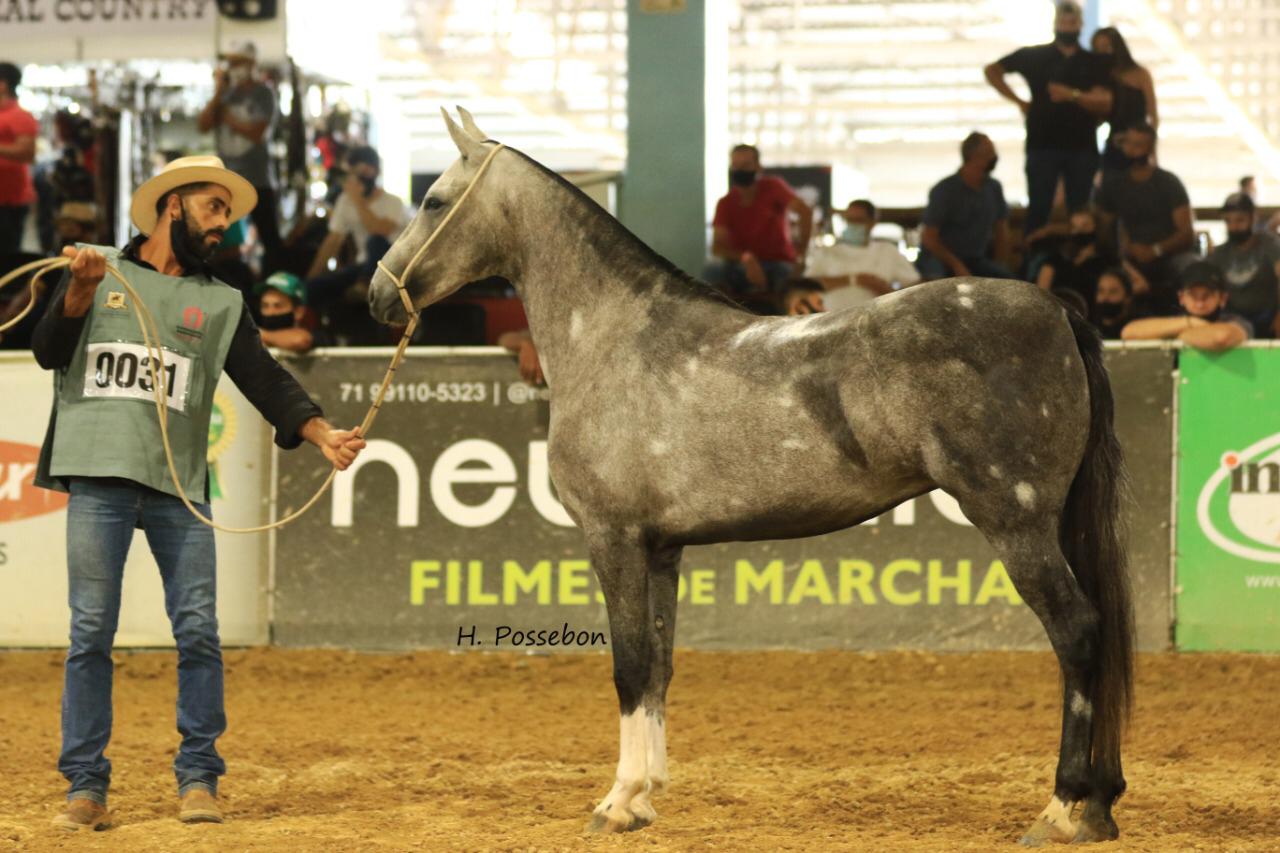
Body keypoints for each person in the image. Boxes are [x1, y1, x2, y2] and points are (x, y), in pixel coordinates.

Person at [30, 155, 366, 830]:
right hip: (98, 472)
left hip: (178, 485)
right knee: (90, 631)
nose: (224, 228)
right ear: (172, 205)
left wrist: (319, 430)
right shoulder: (95, 265)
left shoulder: (221, 301)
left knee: (198, 631)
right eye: (213, 209)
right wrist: (75, 295)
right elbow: (47, 349)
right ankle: (86, 787)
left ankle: (199, 777)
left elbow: (263, 377)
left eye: (230, 216)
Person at [984, 1, 1111, 235]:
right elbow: (992, 70)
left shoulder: (1094, 62)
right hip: (1042, 144)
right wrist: (1019, 101)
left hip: (1081, 146)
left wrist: (1071, 95)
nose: (1068, 28)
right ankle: (1034, 265)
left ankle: (1079, 263)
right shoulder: (1035, 56)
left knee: (1081, 211)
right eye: (1063, 22)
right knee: (1039, 209)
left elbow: (1106, 100)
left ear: (1081, 25)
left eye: (1072, 23)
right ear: (1054, 24)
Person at [197, 40, 282, 272]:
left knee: (270, 240)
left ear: (251, 63)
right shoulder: (225, 95)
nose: (233, 67)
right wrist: (218, 93)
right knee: (223, 241)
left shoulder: (264, 94)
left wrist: (227, 118)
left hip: (259, 180)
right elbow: (202, 125)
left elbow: (258, 133)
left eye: (238, 62)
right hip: (228, 181)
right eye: (230, 62)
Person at [1093, 123, 1194, 312]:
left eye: (1139, 145)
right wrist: (1121, 255)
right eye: (1129, 144)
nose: (1132, 150)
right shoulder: (1113, 185)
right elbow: (1105, 229)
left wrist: (1154, 250)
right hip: (1127, 258)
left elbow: (1187, 233)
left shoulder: (1168, 182)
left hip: (1169, 255)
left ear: (1151, 147)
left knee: (1189, 266)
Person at [305, 146, 408, 310]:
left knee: (376, 240)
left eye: (364, 172)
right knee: (315, 288)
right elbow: (333, 241)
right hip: (363, 267)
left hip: (393, 268)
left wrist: (358, 200)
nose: (357, 179)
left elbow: (379, 229)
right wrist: (311, 278)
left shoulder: (393, 202)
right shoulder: (345, 201)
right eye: (353, 173)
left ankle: (365, 284)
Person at [704, 144, 813, 296]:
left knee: (787, 282)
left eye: (746, 165)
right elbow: (717, 246)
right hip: (741, 265)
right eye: (736, 165)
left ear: (758, 167)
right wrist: (747, 259)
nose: (740, 170)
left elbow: (805, 212)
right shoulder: (725, 203)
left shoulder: (773, 187)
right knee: (712, 270)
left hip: (779, 263)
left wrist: (802, 253)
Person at [916, 132, 1013, 281]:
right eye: (989, 152)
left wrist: (1001, 263)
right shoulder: (944, 190)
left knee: (1007, 282)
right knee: (936, 283)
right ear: (974, 156)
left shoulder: (994, 188)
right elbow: (929, 238)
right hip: (939, 259)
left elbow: (1001, 229)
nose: (994, 157)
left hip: (974, 259)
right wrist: (956, 265)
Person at [804, 199, 920, 311]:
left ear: (872, 223)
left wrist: (887, 291)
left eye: (859, 220)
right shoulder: (827, 252)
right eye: (850, 220)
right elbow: (807, 285)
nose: (853, 224)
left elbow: (913, 286)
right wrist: (855, 280)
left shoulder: (887, 251)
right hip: (831, 320)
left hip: (876, 320)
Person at [1121, 260, 1252, 349]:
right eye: (1193, 295)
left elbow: (1221, 337)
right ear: (1181, 298)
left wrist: (1177, 334)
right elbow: (1129, 332)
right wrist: (1191, 323)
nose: (1200, 303)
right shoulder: (1178, 322)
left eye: (1207, 295)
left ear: (1222, 298)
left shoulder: (1236, 321)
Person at [1206, 192, 1280, 338]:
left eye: (1240, 220)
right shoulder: (1219, 253)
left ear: (1253, 218)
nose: (1233, 226)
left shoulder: (1270, 244)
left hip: (1268, 317)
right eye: (1228, 221)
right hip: (1234, 321)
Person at [1091, 27, 1158, 173]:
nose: (1103, 53)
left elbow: (1153, 115)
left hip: (1139, 143)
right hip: (1115, 144)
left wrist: (1151, 148)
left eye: (1107, 47)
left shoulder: (1140, 74)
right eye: (1098, 49)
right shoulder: (1102, 78)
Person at [0, 61, 38, 253]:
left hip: (10, 200)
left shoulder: (18, 116)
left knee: (6, 256)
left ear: (3, 85)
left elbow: (27, 152)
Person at [1035, 210, 1110, 304]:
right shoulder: (1053, 261)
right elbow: (1041, 297)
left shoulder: (1107, 261)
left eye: (1085, 226)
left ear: (1097, 228)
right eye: (1074, 227)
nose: (1078, 231)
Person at [257, 271, 324, 353]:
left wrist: (260, 335)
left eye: (278, 306)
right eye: (265, 306)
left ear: (298, 312)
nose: (270, 312)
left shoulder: (317, 336)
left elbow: (300, 340)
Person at [1091, 265, 1143, 339]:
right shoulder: (1090, 328)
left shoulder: (1138, 326)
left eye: (1113, 292)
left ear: (1127, 298)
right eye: (1101, 291)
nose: (1105, 298)